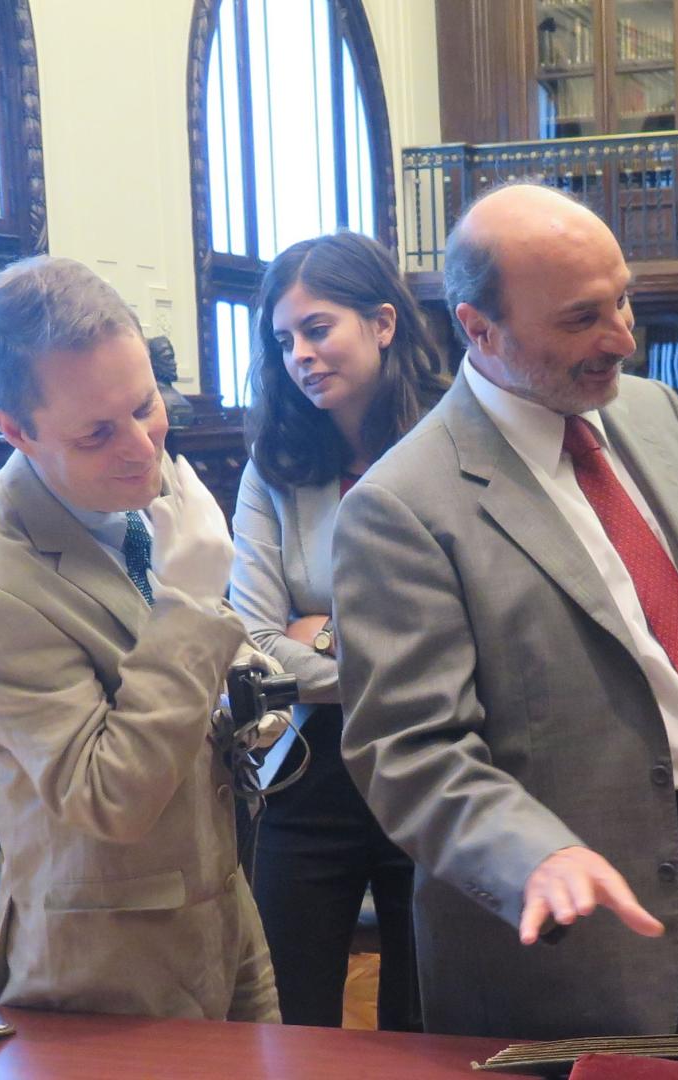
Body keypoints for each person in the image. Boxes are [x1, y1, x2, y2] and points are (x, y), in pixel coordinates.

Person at [332, 184, 678, 1041]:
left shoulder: (650, 412)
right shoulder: (402, 504)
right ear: (480, 330)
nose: (624, 337)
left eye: (623, 299)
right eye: (583, 319)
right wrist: (531, 853)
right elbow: (409, 749)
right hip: (564, 910)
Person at [0, 254, 279, 1020]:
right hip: (103, 963)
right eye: (97, 432)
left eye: (148, 407)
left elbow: (190, 666)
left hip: (220, 906)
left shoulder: (136, 480)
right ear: (16, 430)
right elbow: (108, 795)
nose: (142, 449)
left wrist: (247, 682)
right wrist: (190, 606)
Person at [230, 231, 446, 1030]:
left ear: (383, 322)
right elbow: (251, 643)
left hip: (435, 760)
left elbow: (466, 636)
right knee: (290, 1018)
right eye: (283, 340)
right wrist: (377, 650)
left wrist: (318, 634)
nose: (300, 356)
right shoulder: (273, 464)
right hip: (306, 767)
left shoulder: (454, 445)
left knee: (424, 1026)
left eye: (318, 329)